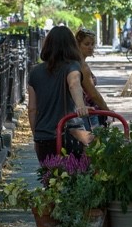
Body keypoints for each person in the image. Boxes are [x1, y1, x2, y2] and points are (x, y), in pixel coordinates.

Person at [28, 25, 91, 163]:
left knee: (51, 179)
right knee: (78, 177)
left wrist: (36, 136)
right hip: (71, 134)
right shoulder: (72, 66)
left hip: (44, 137)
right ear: (71, 45)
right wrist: (81, 105)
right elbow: (74, 83)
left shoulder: (34, 72)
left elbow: (32, 109)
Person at [75, 27, 110, 130]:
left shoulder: (75, 63)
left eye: (92, 44)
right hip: (87, 113)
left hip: (83, 111)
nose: (90, 47)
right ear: (78, 45)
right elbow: (93, 94)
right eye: (86, 44)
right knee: (94, 144)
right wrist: (108, 111)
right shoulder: (82, 66)